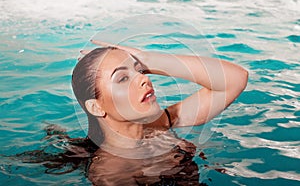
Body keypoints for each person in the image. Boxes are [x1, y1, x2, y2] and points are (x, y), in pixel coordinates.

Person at [71, 40, 248, 185]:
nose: (144, 78)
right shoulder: (113, 173)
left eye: (139, 70)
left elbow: (235, 79)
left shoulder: (159, 124)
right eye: (123, 78)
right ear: (96, 107)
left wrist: (147, 58)